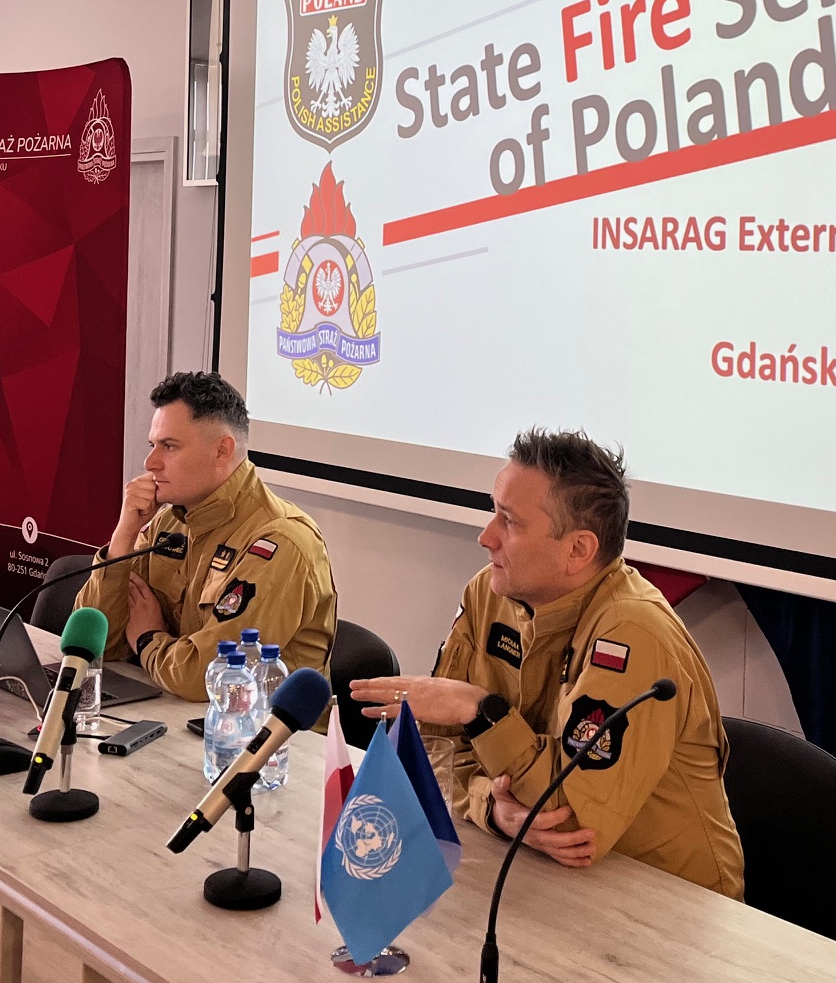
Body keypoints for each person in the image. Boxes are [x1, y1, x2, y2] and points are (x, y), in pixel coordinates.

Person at [351, 429, 744, 897]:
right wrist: (491, 808)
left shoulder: (633, 633)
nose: (485, 537)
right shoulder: (489, 593)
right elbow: (432, 753)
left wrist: (481, 712)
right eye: (493, 512)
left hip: (667, 900)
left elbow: (570, 825)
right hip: (541, 873)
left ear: (578, 550)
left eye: (509, 522)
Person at [76, 371, 336, 701]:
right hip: (178, 712)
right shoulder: (170, 521)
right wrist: (124, 536)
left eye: (169, 446)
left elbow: (205, 678)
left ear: (221, 451)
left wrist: (147, 639)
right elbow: (95, 646)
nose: (150, 462)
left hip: (260, 729)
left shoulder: (280, 542)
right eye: (153, 445)